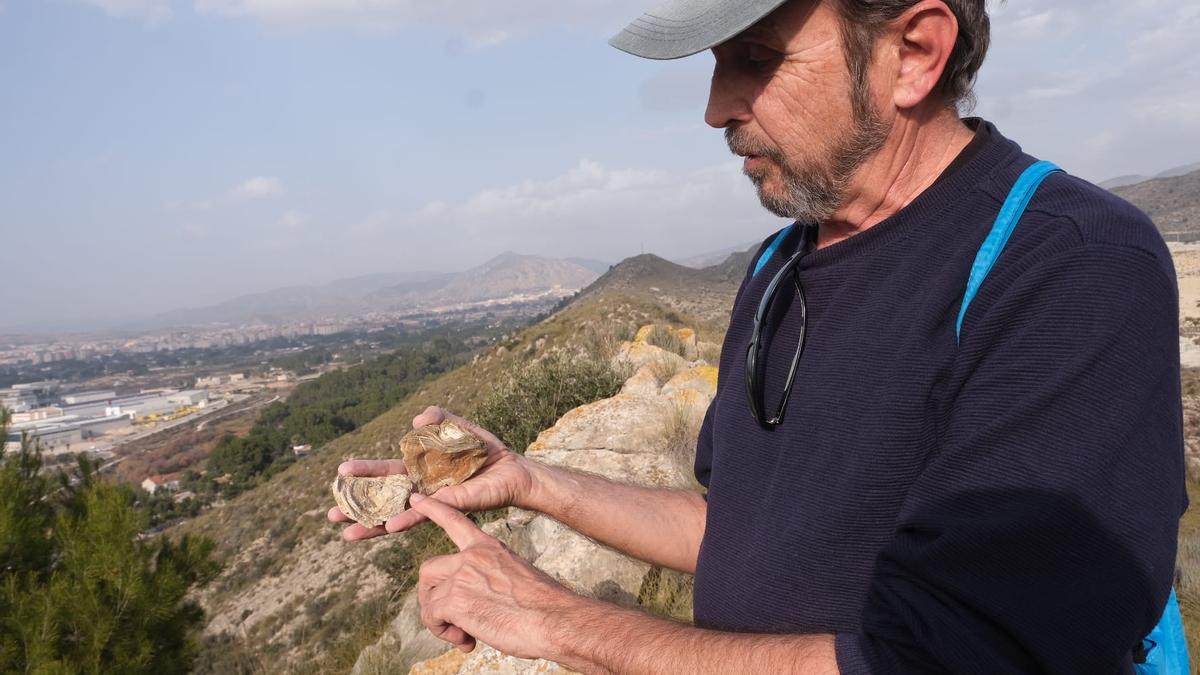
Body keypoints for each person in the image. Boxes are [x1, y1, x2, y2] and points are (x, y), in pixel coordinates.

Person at [330, 0, 1189, 672]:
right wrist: (527, 480)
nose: (713, 109)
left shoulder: (1071, 266)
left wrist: (561, 622)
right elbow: (737, 527)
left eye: (755, 57)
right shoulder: (781, 262)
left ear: (914, 53)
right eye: (714, 64)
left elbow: (959, 660)